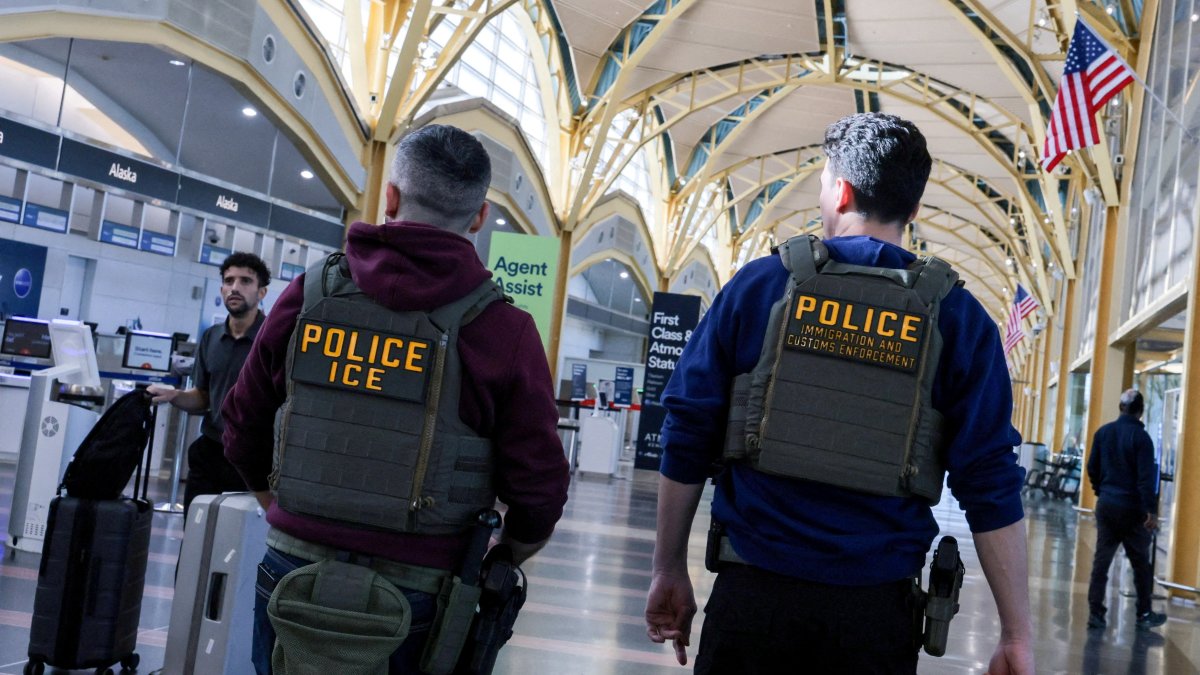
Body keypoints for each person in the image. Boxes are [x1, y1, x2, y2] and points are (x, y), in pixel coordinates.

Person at [644, 113, 1034, 674]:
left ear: (842, 190)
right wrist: (1016, 633)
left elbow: (687, 431)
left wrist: (668, 567)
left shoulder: (759, 287)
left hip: (753, 599)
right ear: (914, 209)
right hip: (876, 617)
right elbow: (990, 480)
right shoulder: (959, 318)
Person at [221, 124, 570, 674]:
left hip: (292, 569)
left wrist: (280, 506)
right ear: (479, 219)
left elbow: (240, 422)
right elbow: (541, 486)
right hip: (421, 591)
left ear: (390, 198)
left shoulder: (309, 294)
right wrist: (508, 555)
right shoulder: (504, 329)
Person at [148, 251, 269, 515]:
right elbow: (204, 397)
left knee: (238, 542)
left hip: (254, 458)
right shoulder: (211, 337)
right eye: (229, 280)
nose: (235, 288)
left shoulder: (273, 338)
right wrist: (175, 395)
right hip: (212, 451)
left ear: (262, 292)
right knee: (195, 533)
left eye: (246, 281)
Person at [1086, 389, 1166, 631]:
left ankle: (1096, 613)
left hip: (1108, 506)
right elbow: (1145, 479)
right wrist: (1151, 511)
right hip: (1132, 510)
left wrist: (1101, 491)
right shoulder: (1142, 439)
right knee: (1141, 563)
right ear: (1140, 411)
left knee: (1102, 561)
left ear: (1121, 408)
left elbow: (1092, 467)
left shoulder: (1103, 433)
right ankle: (1143, 612)